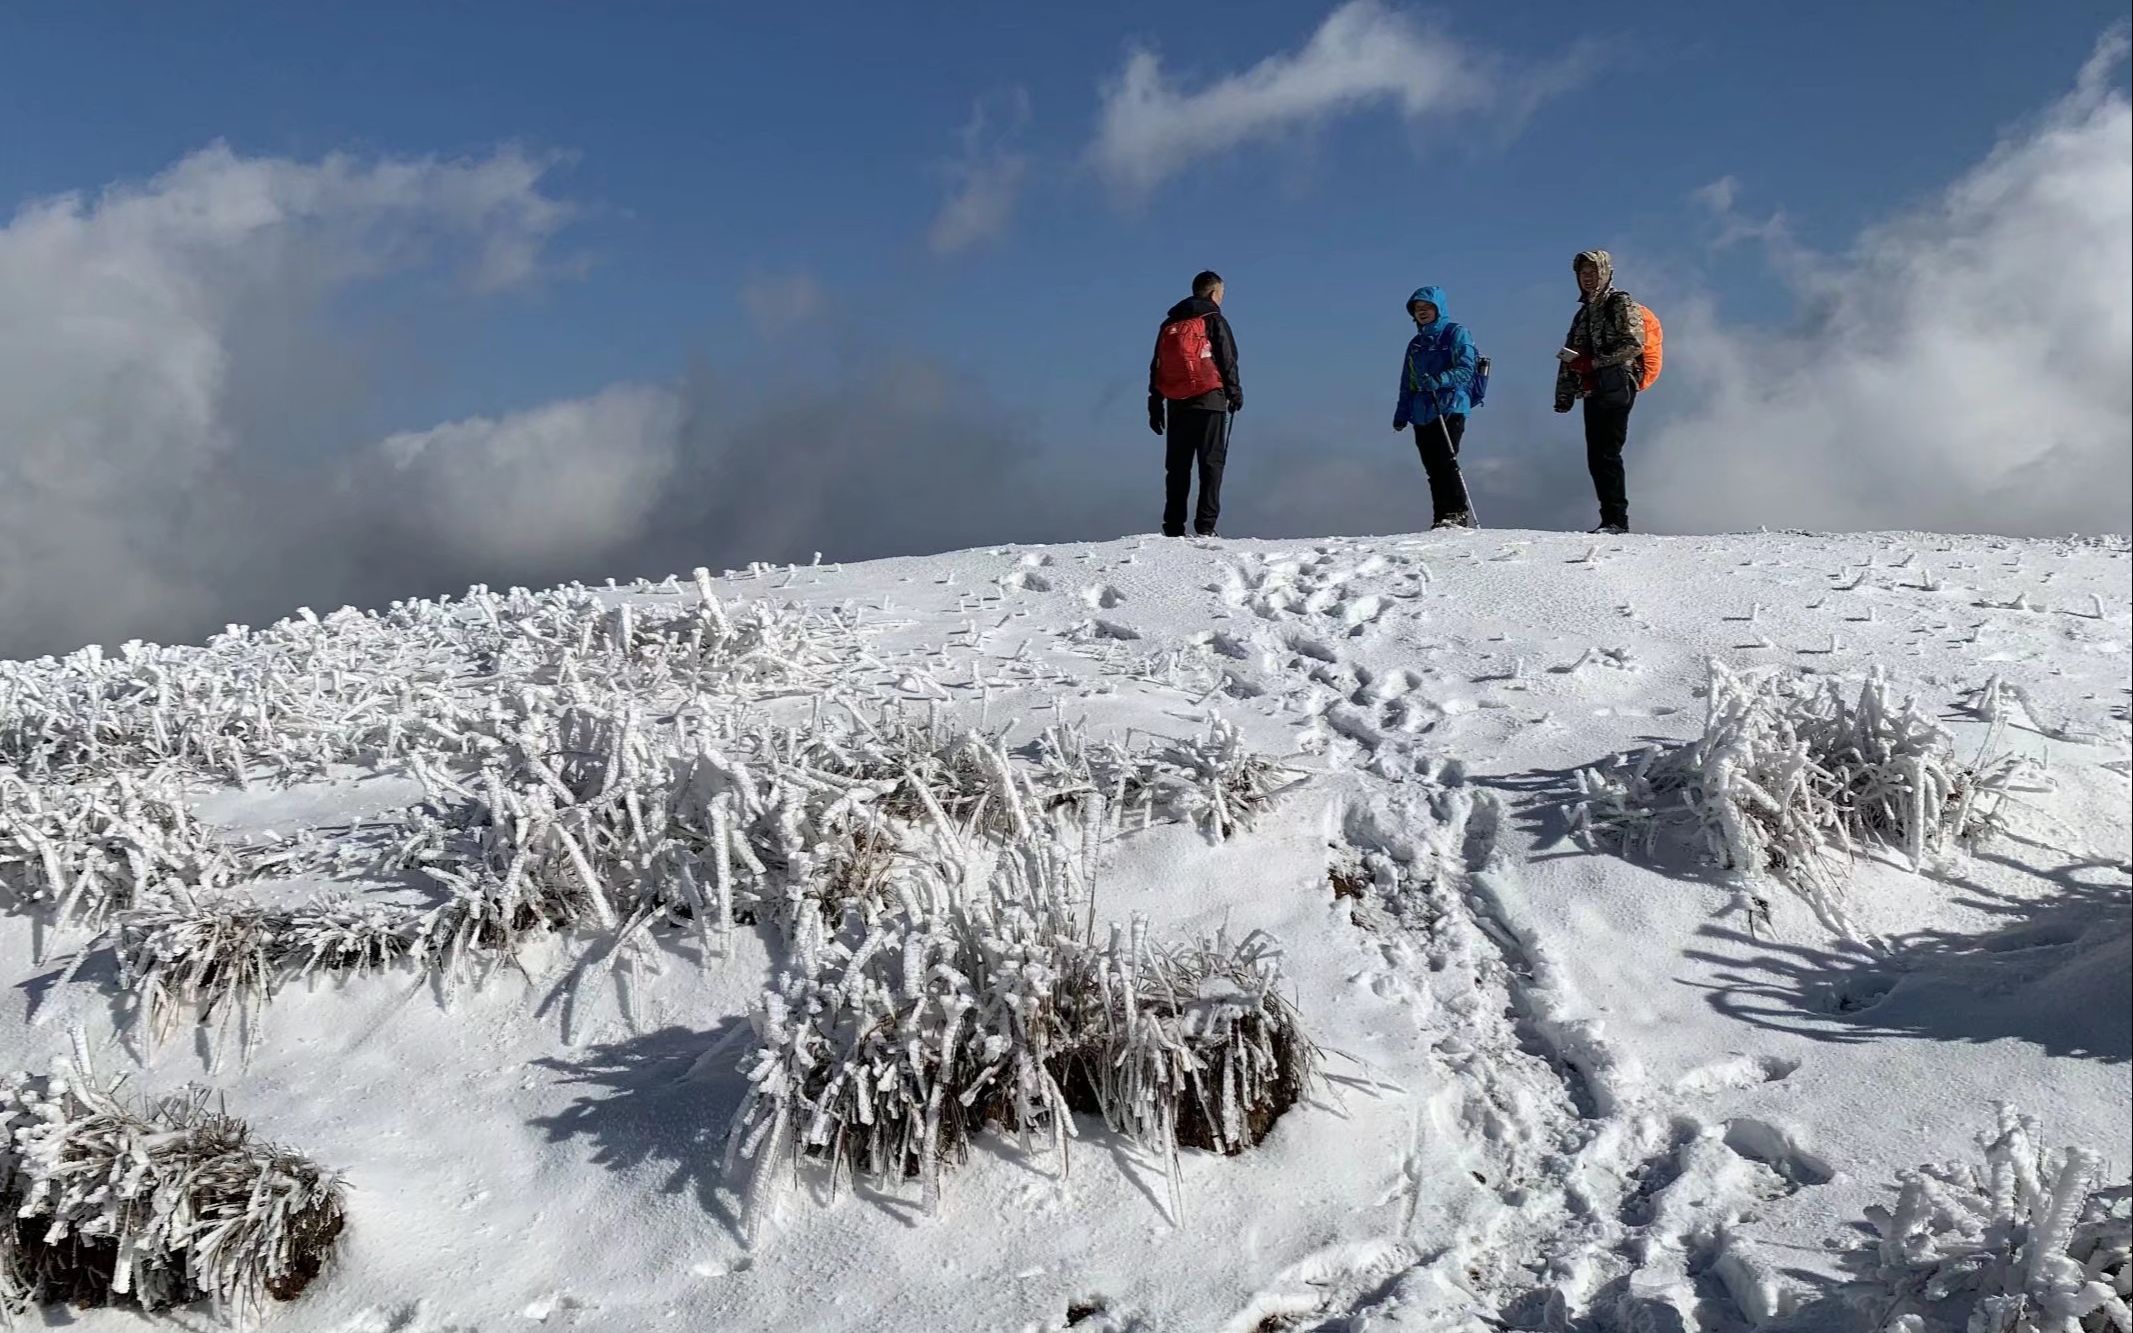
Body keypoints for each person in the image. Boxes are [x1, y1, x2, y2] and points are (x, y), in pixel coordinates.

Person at [1554, 249, 1646, 534]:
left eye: (1593, 272)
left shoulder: (1620, 303)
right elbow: (1570, 355)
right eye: (1583, 273)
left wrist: (1594, 362)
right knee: (1597, 455)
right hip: (1593, 391)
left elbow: (1634, 343)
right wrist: (1564, 394)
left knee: (1607, 452)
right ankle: (1610, 518)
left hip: (1617, 385)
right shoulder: (1582, 314)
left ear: (1605, 272)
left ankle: (1617, 520)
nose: (1588, 278)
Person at [1148, 270, 1241, 538]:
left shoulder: (1170, 323)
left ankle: (1174, 527)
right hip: (1210, 399)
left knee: (1178, 467)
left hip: (1176, 402)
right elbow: (1227, 358)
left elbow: (1156, 364)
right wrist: (1235, 392)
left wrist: (1155, 402)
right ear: (1214, 293)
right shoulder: (1213, 319)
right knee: (1211, 464)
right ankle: (1206, 526)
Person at [1391, 284, 1478, 529]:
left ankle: (1457, 512)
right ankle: (1441, 515)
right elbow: (1406, 382)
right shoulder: (1416, 344)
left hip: (1450, 406)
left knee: (1446, 460)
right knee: (1432, 466)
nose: (1422, 312)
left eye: (1427, 307)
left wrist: (1440, 381)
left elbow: (1466, 369)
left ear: (1439, 308)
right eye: (1418, 308)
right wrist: (1402, 413)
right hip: (1421, 412)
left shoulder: (1456, 333)